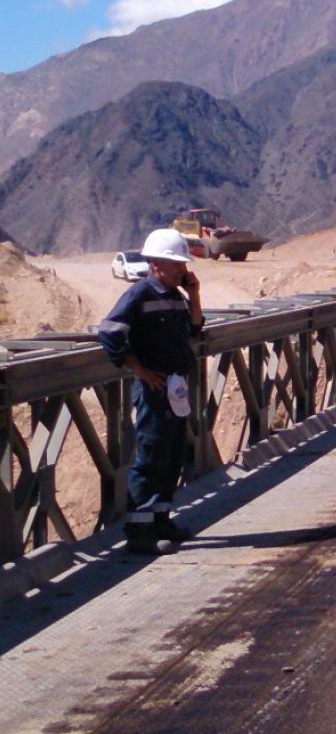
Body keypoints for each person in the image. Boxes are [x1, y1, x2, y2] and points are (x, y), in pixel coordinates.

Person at [97, 228, 204, 554]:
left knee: (172, 455)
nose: (183, 270)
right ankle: (139, 532)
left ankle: (162, 521)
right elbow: (110, 331)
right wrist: (139, 370)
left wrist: (194, 294)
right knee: (151, 456)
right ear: (157, 263)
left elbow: (196, 328)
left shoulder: (174, 297)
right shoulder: (139, 294)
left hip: (174, 388)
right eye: (178, 265)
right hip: (152, 391)